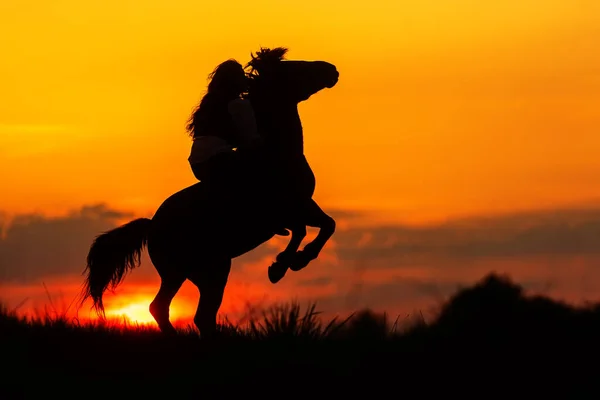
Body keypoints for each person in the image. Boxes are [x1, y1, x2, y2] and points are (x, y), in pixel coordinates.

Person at [186, 59, 288, 236]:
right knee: (264, 173)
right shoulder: (238, 105)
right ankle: (266, 218)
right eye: (241, 75)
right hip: (218, 160)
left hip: (198, 163)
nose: (245, 78)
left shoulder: (210, 102)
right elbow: (250, 139)